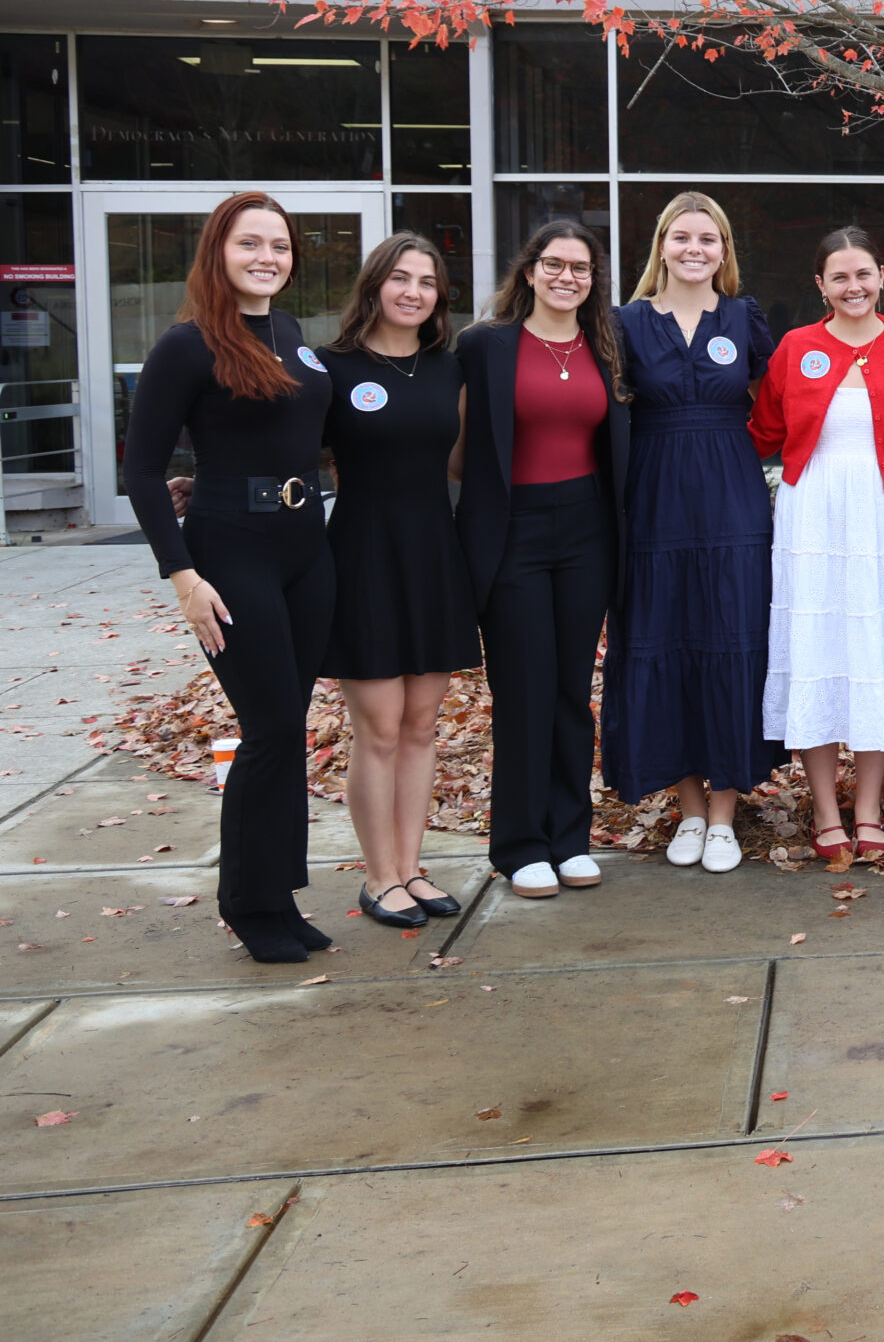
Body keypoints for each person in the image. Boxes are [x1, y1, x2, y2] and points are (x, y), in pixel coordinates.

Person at [126, 193, 336, 963]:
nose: (267, 257)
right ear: (219, 250)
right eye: (250, 243)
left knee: (290, 727)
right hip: (229, 551)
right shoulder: (187, 346)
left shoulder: (289, 333)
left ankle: (280, 895)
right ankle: (249, 905)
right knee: (269, 727)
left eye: (279, 245)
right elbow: (143, 472)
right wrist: (182, 575)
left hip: (305, 549)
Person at [752, 225, 884, 864]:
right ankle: (825, 807)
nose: (853, 286)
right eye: (838, 277)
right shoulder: (796, 346)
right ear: (821, 285)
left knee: (874, 648)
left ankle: (867, 807)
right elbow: (763, 430)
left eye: (862, 274)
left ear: (881, 276)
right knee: (818, 645)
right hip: (812, 512)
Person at [605, 193, 781, 874]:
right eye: (682, 237)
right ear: (661, 246)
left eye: (708, 238)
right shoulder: (623, 323)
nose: (694, 249)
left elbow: (780, 399)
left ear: (724, 250)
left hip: (732, 499)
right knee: (664, 637)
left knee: (730, 636)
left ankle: (726, 812)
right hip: (653, 499)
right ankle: (688, 806)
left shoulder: (743, 317)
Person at [454, 221, 629, 900]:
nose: (567, 277)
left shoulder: (606, 345)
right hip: (512, 530)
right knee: (523, 689)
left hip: (586, 527)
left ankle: (570, 837)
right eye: (554, 264)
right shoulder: (485, 345)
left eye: (580, 267)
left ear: (593, 279)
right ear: (528, 271)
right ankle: (520, 844)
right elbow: (451, 437)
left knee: (569, 692)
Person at [318, 235, 482, 926]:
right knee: (378, 727)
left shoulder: (450, 370)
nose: (413, 291)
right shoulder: (329, 367)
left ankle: (412, 867)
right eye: (400, 278)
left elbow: (463, 467)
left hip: (433, 555)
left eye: (427, 281)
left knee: (421, 724)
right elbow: (286, 450)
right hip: (362, 556)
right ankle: (377, 875)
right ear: (375, 286)